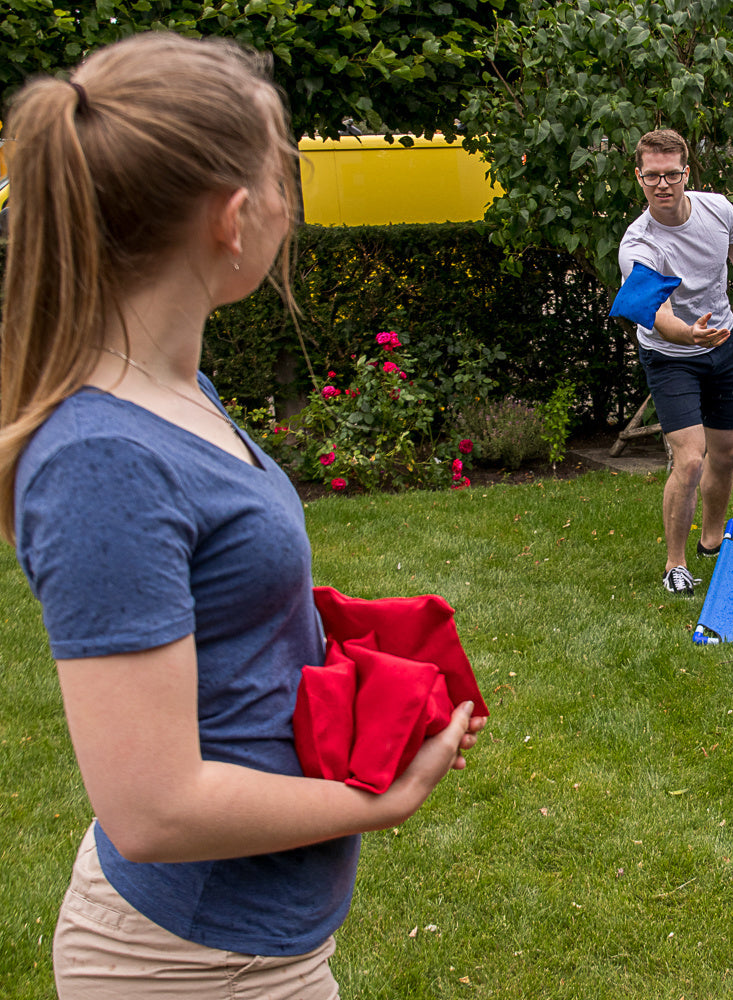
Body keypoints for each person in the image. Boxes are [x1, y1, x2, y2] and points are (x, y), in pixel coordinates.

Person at [0, 31, 486, 999]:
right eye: (285, 181)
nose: (288, 209)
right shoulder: (104, 458)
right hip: (183, 965)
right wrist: (379, 800)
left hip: (255, 949)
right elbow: (150, 808)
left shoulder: (179, 391)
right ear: (232, 217)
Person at [618, 129, 733, 595]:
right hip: (671, 354)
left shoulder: (719, 210)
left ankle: (712, 542)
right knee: (691, 459)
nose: (662, 184)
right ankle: (675, 564)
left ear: (685, 173)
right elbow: (656, 316)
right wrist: (689, 333)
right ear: (639, 178)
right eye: (652, 175)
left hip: (724, 343)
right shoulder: (638, 246)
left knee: (729, 452)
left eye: (670, 174)